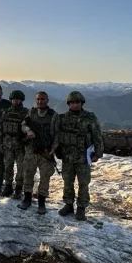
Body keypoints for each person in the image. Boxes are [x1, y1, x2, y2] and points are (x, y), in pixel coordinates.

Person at [51, 91, 103, 221]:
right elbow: (57, 136)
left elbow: (97, 136)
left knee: (83, 184)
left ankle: (81, 207)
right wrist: (56, 151)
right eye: (72, 102)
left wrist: (98, 153)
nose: (75, 105)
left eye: (77, 102)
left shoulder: (89, 118)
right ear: (68, 104)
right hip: (67, 157)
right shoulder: (62, 118)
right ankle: (68, 205)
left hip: (83, 158)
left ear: (82, 103)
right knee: (67, 182)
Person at [18, 92, 57, 214]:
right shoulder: (32, 112)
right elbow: (23, 124)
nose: (40, 101)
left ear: (47, 100)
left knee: (45, 178)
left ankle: (41, 202)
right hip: (31, 150)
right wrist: (28, 130)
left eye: (43, 99)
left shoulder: (53, 115)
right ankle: (27, 199)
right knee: (28, 174)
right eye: (38, 99)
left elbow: (57, 133)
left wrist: (54, 148)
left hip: (46, 151)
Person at [0, 90, 29, 198]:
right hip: (7, 145)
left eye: (18, 99)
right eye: (14, 99)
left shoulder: (25, 112)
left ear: (21, 100)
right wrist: (1, 144)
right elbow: (1, 129)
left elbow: (29, 129)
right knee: (8, 167)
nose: (15, 101)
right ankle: (8, 186)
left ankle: (19, 188)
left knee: (21, 168)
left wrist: (25, 143)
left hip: (20, 146)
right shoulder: (6, 112)